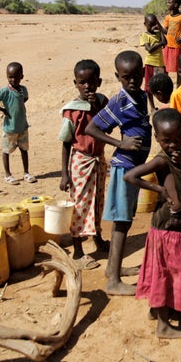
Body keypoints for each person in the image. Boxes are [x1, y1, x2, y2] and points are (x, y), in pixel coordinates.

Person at [124, 108, 181, 339]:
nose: (173, 145)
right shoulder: (161, 160)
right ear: (158, 138)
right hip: (168, 227)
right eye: (167, 141)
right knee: (165, 274)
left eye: (177, 139)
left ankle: (161, 309)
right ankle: (162, 325)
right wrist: (159, 189)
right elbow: (130, 176)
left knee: (176, 271)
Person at [85, 50, 152, 295]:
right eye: (126, 77)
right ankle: (113, 281)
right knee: (122, 222)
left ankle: (114, 268)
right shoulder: (119, 102)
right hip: (125, 167)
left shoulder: (141, 96)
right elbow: (92, 128)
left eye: (136, 75)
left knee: (124, 221)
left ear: (143, 73)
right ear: (117, 77)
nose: (132, 81)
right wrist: (119, 143)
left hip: (134, 167)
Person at [58, 59, 109, 270]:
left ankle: (97, 237)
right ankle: (78, 250)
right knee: (79, 205)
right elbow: (65, 142)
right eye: (82, 82)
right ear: (75, 83)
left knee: (97, 201)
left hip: (99, 159)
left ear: (99, 82)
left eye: (91, 82)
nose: (87, 86)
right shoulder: (71, 111)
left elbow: (107, 126)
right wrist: (64, 174)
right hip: (81, 161)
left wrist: (96, 105)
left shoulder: (102, 102)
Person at [0, 61, 37, 185]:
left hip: (23, 126)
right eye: (10, 77)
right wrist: (3, 110)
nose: (12, 80)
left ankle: (26, 173)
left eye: (15, 77)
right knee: (6, 151)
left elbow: (25, 99)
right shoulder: (4, 91)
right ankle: (8, 175)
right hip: (9, 128)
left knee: (24, 149)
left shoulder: (23, 89)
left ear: (21, 77)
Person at [140, 13, 166, 111]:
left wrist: (161, 31)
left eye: (154, 24)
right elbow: (149, 49)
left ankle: (163, 104)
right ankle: (152, 107)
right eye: (150, 24)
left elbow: (165, 42)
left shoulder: (158, 34)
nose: (152, 27)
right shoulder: (145, 35)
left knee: (160, 85)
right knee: (149, 87)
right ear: (145, 24)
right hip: (150, 63)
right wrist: (160, 43)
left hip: (159, 63)